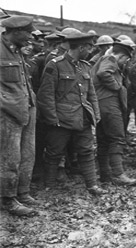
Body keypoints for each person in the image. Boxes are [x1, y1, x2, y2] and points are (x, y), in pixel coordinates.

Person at [37, 29, 107, 195]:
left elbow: (91, 94)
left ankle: (92, 185)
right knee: (54, 153)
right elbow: (46, 95)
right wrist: (53, 119)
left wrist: (95, 114)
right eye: (89, 48)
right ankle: (49, 186)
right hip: (61, 120)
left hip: (82, 117)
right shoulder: (55, 65)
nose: (91, 52)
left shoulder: (85, 67)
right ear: (81, 47)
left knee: (87, 151)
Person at [0, 15, 38, 216]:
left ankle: (22, 192)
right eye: (27, 33)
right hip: (7, 111)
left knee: (27, 154)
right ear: (15, 32)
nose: (30, 37)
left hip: (27, 107)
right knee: (10, 157)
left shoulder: (16, 50)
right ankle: (8, 199)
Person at [92, 40, 136, 186]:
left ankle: (105, 174)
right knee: (117, 138)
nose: (126, 62)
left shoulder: (102, 59)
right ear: (121, 56)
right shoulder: (110, 59)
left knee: (104, 140)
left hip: (100, 103)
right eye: (126, 59)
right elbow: (103, 73)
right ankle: (118, 174)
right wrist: (117, 87)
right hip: (109, 104)